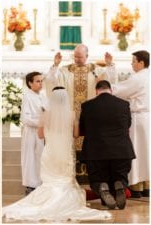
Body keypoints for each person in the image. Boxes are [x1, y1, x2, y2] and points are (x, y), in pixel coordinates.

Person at [3, 87, 111, 222]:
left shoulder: (45, 115)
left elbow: (40, 135)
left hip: (50, 153)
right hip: (65, 153)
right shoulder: (72, 114)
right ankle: (64, 202)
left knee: (50, 182)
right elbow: (76, 135)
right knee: (64, 180)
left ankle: (46, 202)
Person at [45, 44, 116, 150]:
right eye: (75, 57)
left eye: (80, 57)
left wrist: (110, 65)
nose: (77, 59)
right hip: (70, 114)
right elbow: (51, 81)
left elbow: (110, 80)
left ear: (87, 56)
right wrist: (55, 65)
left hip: (91, 114)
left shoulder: (96, 70)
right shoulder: (66, 70)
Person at [79, 80, 135, 210]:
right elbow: (128, 125)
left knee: (97, 177)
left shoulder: (87, 106)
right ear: (111, 90)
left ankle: (101, 186)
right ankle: (119, 184)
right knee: (120, 175)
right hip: (121, 150)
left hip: (96, 151)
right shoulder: (124, 104)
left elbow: (83, 128)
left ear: (96, 91)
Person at [112, 50, 149, 198]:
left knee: (136, 150)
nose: (132, 64)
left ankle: (136, 186)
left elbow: (119, 90)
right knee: (147, 151)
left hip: (138, 118)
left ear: (141, 63)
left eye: (133, 61)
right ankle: (147, 185)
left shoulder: (138, 78)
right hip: (148, 117)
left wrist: (103, 83)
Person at [20, 72, 47, 195]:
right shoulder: (27, 96)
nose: (40, 83)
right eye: (37, 81)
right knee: (30, 158)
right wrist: (42, 122)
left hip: (42, 132)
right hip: (32, 132)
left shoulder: (42, 96)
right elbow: (25, 118)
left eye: (42, 81)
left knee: (40, 157)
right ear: (30, 83)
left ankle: (40, 183)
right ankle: (31, 185)